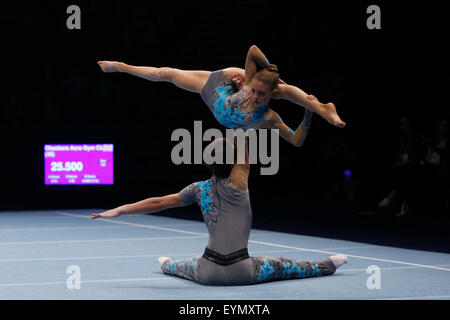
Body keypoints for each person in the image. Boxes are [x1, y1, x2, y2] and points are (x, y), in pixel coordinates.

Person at [91, 137, 348, 286]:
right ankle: (329, 265)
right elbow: (245, 140)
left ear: (208, 163)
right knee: (287, 265)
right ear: (235, 163)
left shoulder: (198, 189)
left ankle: (166, 264)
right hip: (243, 271)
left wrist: (120, 210)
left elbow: (158, 202)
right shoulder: (239, 183)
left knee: (181, 266)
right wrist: (245, 101)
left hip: (207, 271)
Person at [97, 45, 345, 147]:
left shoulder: (270, 117)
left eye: (262, 94)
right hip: (216, 88)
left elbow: (296, 141)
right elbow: (253, 50)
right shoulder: (246, 83)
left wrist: (308, 113)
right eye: (255, 90)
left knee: (282, 89)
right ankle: (121, 66)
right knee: (167, 74)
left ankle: (322, 108)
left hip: (224, 103)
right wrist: (269, 69)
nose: (255, 96)